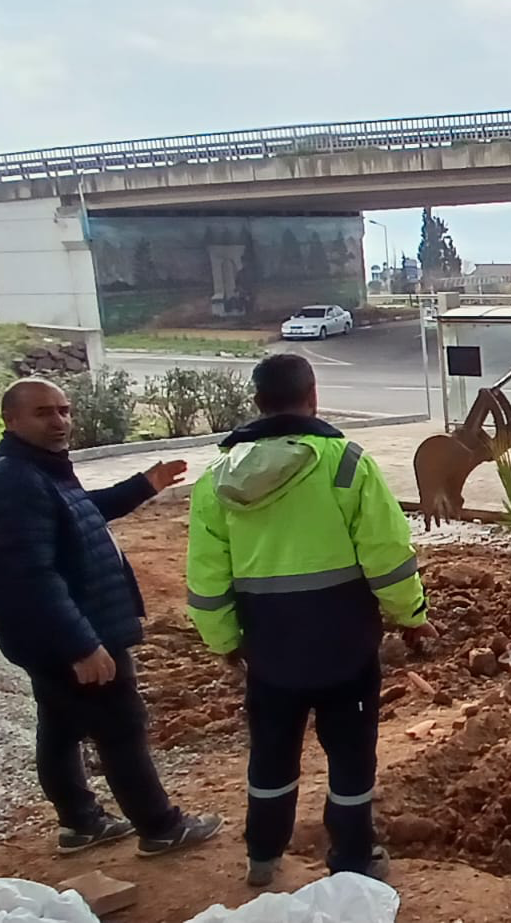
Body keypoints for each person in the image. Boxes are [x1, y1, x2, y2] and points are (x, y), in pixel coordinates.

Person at [184, 354, 438, 887]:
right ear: (313, 395)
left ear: (256, 403)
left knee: (272, 754)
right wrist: (411, 618)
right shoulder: (347, 465)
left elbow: (207, 579)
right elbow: (388, 556)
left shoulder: (215, 482)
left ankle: (262, 855)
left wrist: (225, 641)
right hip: (345, 647)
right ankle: (351, 856)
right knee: (350, 756)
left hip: (269, 651)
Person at [0, 378, 224, 858]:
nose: (60, 421)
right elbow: (32, 577)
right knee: (121, 726)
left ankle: (81, 823)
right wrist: (81, 644)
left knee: (61, 727)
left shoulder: (38, 472)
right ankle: (160, 826)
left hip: (53, 634)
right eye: (45, 412)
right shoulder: (15, 484)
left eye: (64, 410)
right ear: (11, 420)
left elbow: (81, 514)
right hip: (70, 634)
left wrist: (143, 486)